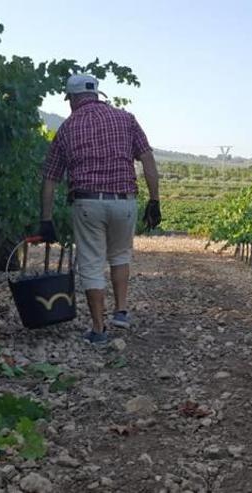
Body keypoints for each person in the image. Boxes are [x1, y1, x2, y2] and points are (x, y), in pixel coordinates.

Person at [39, 74, 161, 344]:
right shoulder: (126, 119)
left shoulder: (67, 128)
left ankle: (98, 329)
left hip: (88, 202)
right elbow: (148, 159)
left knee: (92, 265)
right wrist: (154, 200)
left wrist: (45, 219)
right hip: (124, 200)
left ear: (72, 99)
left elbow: (50, 177)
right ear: (97, 94)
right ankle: (121, 312)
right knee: (120, 255)